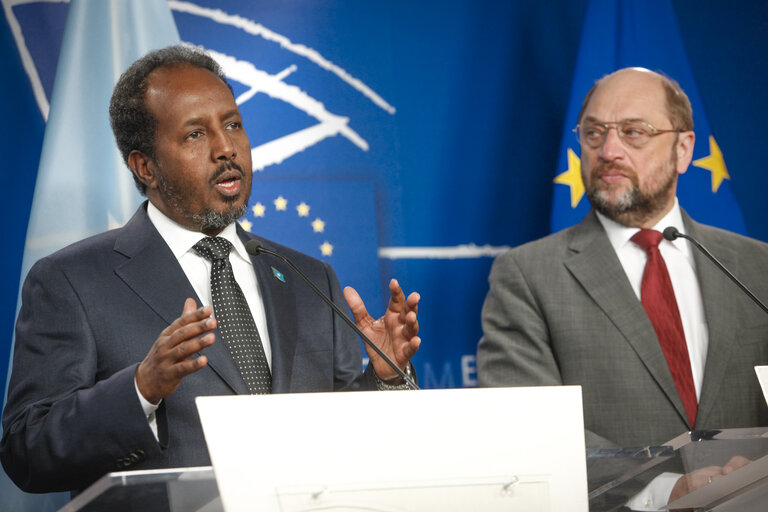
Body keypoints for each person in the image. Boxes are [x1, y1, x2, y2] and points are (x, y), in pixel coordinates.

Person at [0, 46, 421, 495]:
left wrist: (384, 378)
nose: (226, 148)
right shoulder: (72, 282)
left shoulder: (309, 278)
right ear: (145, 166)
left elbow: (342, 438)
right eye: (195, 135)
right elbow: (27, 450)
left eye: (233, 124)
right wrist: (141, 389)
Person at [477, 67, 768, 506]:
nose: (609, 150)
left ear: (684, 149)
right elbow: (527, 428)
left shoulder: (756, 264)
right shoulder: (527, 275)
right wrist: (666, 488)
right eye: (594, 134)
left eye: (634, 132)